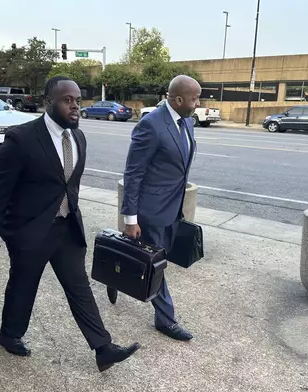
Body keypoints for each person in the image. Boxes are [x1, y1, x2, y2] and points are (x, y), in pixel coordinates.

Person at [0, 76, 139, 372]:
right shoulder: (21, 138)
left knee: (79, 287)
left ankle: (103, 348)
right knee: (24, 286)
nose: (75, 106)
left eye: (77, 100)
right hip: (30, 231)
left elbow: (68, 186)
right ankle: (9, 335)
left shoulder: (78, 138)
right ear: (49, 102)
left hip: (66, 227)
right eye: (67, 100)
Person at [114, 75, 200, 341]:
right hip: (150, 211)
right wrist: (130, 219)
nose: (198, 103)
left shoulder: (187, 122)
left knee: (153, 258)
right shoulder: (150, 125)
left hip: (172, 207)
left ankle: (114, 274)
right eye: (195, 98)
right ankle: (166, 320)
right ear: (178, 99)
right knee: (157, 264)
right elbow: (133, 173)